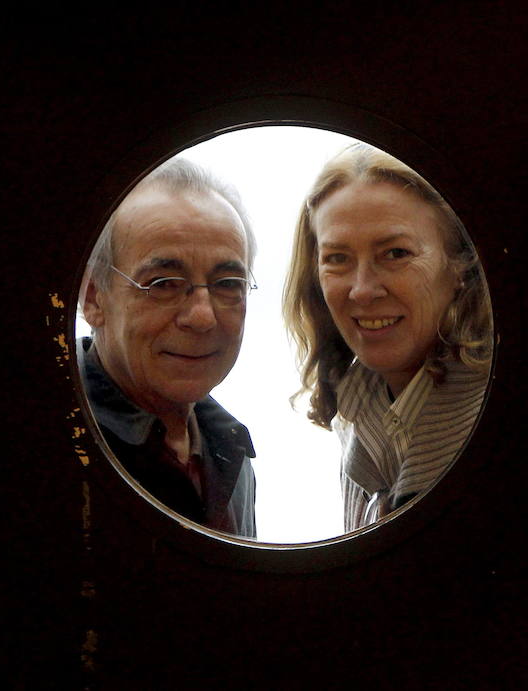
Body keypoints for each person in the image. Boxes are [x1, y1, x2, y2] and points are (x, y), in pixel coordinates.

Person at [283, 145, 492, 531]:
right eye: (337, 258)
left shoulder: (497, 423)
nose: (362, 290)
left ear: (461, 263)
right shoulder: (359, 424)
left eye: (395, 253)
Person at [79, 158, 258, 537]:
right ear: (94, 298)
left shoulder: (231, 454)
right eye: (163, 284)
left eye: (227, 283)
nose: (202, 317)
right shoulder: (48, 441)